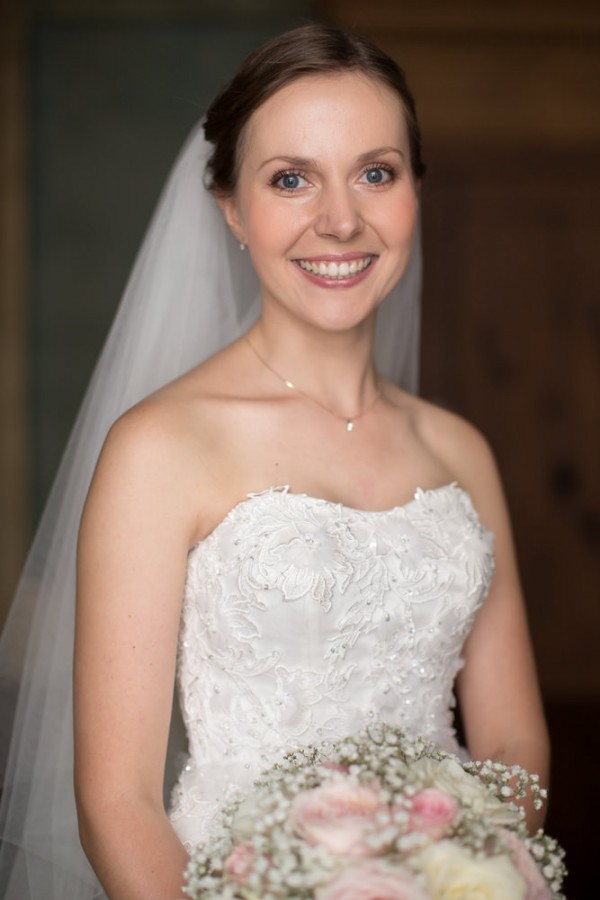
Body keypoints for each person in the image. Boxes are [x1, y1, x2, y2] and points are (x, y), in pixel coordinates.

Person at [0, 24, 549, 900]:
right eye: (291, 179)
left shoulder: (459, 451)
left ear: (415, 190)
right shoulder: (160, 448)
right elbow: (116, 803)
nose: (341, 220)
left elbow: (515, 744)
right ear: (229, 206)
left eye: (376, 173)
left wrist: (460, 875)